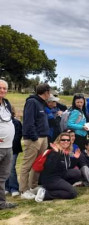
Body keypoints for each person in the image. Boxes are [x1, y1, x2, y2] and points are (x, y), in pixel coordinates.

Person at [20, 83, 51, 200]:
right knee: (27, 165)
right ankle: (23, 190)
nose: (50, 94)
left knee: (38, 163)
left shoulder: (41, 103)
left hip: (43, 137)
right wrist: (34, 137)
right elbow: (28, 121)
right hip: (34, 138)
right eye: (50, 92)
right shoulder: (32, 102)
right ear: (46, 92)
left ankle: (32, 186)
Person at [35, 133, 81, 202]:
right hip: (51, 178)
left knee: (77, 172)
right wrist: (56, 154)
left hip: (60, 175)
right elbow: (49, 168)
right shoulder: (54, 152)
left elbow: (67, 166)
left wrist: (75, 158)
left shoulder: (65, 152)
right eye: (63, 140)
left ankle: (62, 188)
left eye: (68, 140)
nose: (66, 141)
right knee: (73, 193)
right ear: (59, 141)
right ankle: (45, 194)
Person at [0, 79, 17, 209]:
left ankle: (1, 202)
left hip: (8, 147)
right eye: (0, 88)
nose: (2, 90)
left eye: (5, 88)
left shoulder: (6, 104)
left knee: (3, 177)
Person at [5, 106, 22, 198]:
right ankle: (6, 187)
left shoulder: (16, 123)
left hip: (13, 149)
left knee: (11, 168)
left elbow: (18, 136)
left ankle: (14, 188)